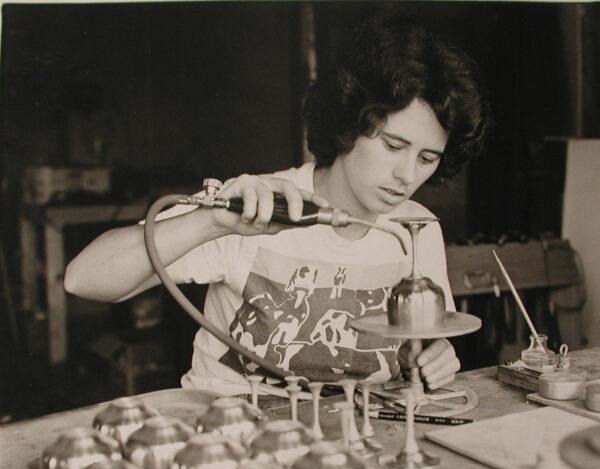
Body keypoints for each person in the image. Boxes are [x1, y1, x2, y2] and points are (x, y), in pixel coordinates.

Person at [64, 14, 490, 397]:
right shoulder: (258, 203)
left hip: (357, 442)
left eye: (427, 158)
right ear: (349, 124)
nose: (407, 175)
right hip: (235, 440)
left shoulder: (418, 230)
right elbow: (83, 279)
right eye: (394, 146)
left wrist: (437, 357)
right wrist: (213, 222)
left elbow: (426, 343)